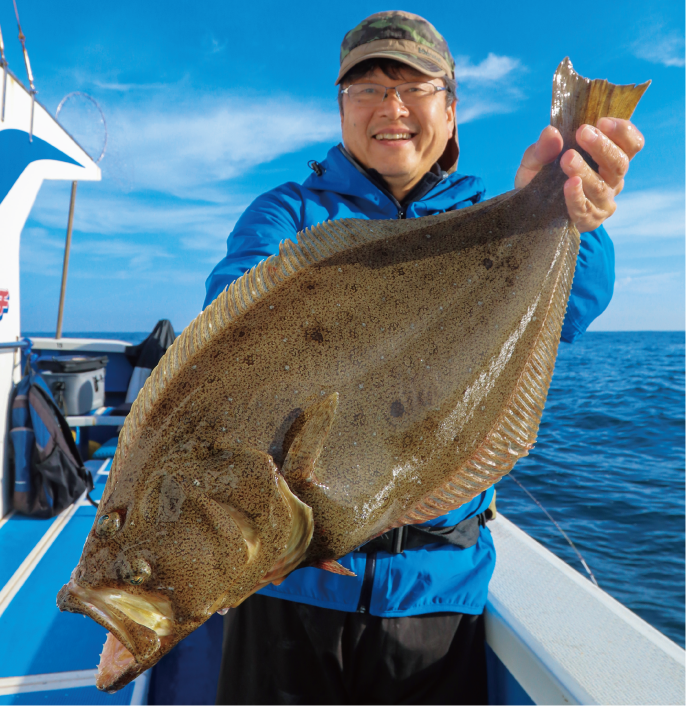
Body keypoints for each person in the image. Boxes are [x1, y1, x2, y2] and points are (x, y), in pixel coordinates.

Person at [205, 11, 645, 706]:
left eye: (413, 87)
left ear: (451, 106)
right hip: (292, 588)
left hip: (437, 597)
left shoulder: (495, 215)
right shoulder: (287, 213)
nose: (391, 107)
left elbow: (571, 307)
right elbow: (233, 316)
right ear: (341, 107)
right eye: (367, 89)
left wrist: (564, 211)